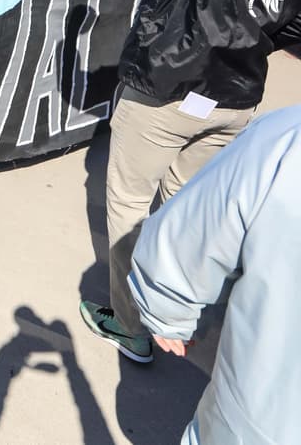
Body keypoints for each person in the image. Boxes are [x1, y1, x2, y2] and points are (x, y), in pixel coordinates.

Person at [68, 0, 301, 365]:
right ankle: (176, 304)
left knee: (128, 203)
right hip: (236, 92)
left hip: (168, 87)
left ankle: (135, 325)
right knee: (186, 203)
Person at [128, 109, 301, 443]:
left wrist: (168, 311)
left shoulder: (289, 138)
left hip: (255, 421)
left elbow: (192, 235)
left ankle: (127, 327)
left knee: (129, 196)